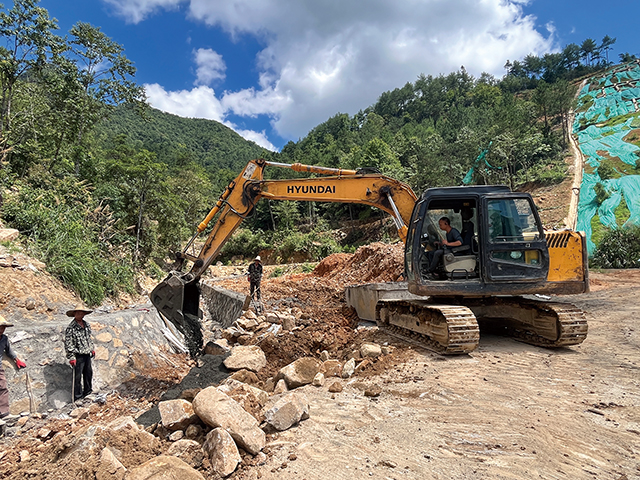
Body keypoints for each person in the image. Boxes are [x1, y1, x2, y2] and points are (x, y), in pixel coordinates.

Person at [64, 304, 95, 402]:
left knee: (88, 373)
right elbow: (69, 344)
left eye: (81, 313)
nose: (80, 315)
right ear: (74, 314)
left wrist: (91, 348)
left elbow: (88, 338)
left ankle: (88, 392)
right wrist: (72, 357)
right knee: (77, 376)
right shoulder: (71, 328)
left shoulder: (86, 325)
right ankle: (78, 396)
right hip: (78, 355)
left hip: (86, 353)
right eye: (77, 313)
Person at [0, 314, 26, 421]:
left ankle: (4, 413)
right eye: (0, 327)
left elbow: (9, 351)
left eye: (3, 327)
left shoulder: (4, 339)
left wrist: (16, 359)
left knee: (3, 388)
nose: (2, 329)